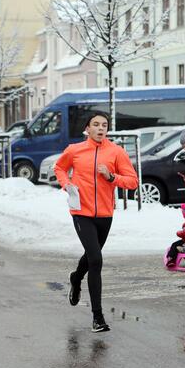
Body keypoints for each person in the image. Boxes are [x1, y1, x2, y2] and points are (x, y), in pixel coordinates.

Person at [54, 111, 138, 333]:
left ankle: (76, 277)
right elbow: (59, 168)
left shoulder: (116, 152)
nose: (101, 128)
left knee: (92, 257)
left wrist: (112, 177)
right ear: (87, 129)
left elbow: (133, 182)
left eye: (104, 125)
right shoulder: (75, 150)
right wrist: (67, 185)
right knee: (96, 259)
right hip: (81, 211)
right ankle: (97, 317)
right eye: (96, 124)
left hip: (104, 215)